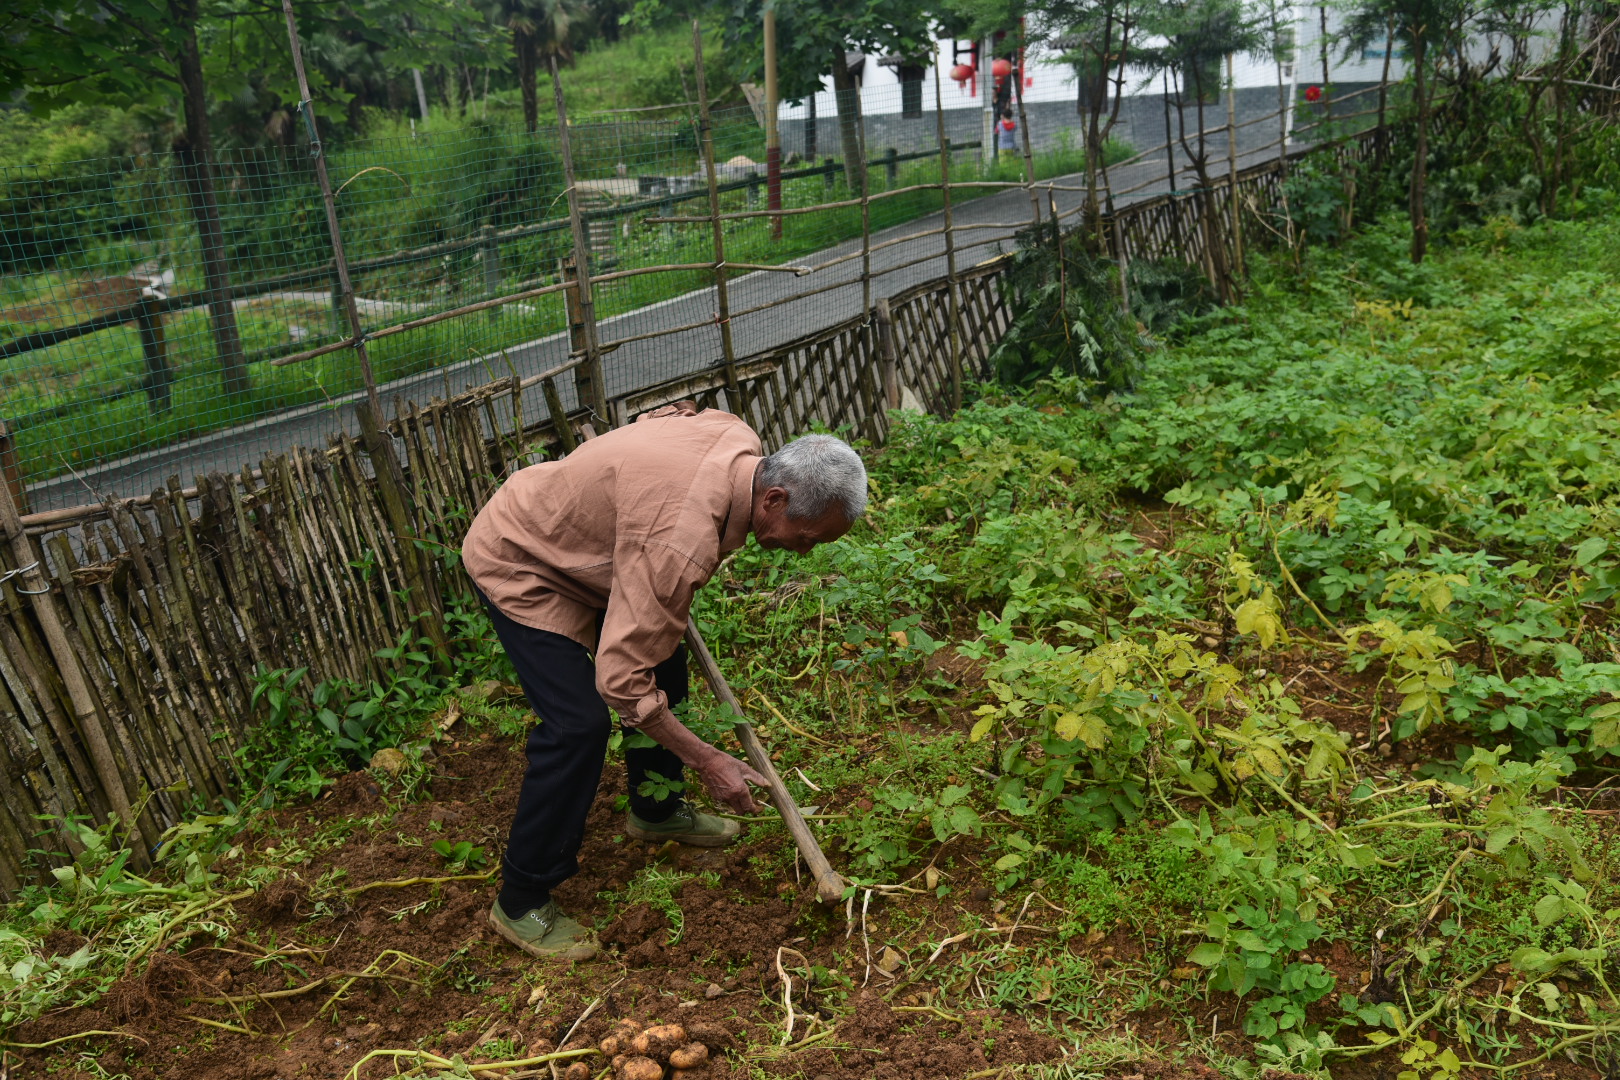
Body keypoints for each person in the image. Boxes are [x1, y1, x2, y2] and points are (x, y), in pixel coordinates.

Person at [461, 402, 866, 960]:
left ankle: (655, 810)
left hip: (601, 546)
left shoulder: (736, 438)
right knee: (577, 726)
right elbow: (622, 683)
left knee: (663, 657)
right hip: (526, 558)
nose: (805, 551)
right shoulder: (679, 544)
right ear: (773, 498)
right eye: (807, 537)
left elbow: (660, 418)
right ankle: (521, 897)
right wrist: (709, 759)